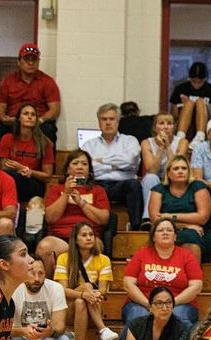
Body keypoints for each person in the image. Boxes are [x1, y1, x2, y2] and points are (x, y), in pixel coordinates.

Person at [36, 151, 110, 275]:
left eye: (84, 164)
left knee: (91, 244)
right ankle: (50, 287)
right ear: (67, 170)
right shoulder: (55, 190)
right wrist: (66, 193)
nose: (80, 167)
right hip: (60, 238)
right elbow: (50, 218)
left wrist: (81, 203)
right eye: (75, 163)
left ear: (89, 170)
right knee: (44, 247)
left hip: (89, 236)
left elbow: (103, 219)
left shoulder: (98, 191)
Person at [121, 218, 202, 328]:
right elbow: (128, 284)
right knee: (137, 317)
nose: (165, 233)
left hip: (179, 303)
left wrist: (170, 303)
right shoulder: (141, 253)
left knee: (179, 319)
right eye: (160, 230)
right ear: (153, 237)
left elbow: (196, 286)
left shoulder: (187, 256)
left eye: (169, 230)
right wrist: (149, 304)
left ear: (175, 236)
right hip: (142, 303)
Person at [54, 221, 117, 340]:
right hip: (67, 310)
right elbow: (61, 290)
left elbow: (103, 291)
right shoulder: (64, 258)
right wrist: (84, 293)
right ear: (75, 240)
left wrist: (85, 296)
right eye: (84, 235)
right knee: (86, 289)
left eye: (91, 235)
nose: (89, 238)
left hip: (94, 307)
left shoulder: (103, 259)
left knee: (80, 302)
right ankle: (103, 329)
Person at [87, 102, 145, 231]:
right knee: (86, 185)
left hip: (122, 184)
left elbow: (130, 161)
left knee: (134, 185)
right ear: (99, 122)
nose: (108, 123)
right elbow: (88, 169)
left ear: (118, 122)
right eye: (104, 119)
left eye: (112, 119)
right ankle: (90, 227)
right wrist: (117, 166)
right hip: (98, 184)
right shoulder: (89, 145)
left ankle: (136, 227)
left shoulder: (130, 140)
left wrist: (101, 160)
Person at [148, 155, 211, 262]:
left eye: (184, 168)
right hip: (168, 232)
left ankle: (192, 276)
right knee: (185, 235)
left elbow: (202, 218)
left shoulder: (198, 187)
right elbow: (156, 220)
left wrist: (169, 216)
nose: (181, 171)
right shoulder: (158, 190)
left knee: (191, 237)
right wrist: (187, 225)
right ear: (168, 173)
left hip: (201, 233)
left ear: (189, 172)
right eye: (176, 168)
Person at [0, 43, 61, 145]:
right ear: (19, 61)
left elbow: (55, 109)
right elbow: (0, 107)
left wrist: (39, 120)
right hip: (13, 122)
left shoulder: (48, 81)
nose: (31, 63)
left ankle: (48, 161)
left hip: (38, 122)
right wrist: (4, 118)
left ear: (38, 62)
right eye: (27, 59)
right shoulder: (7, 81)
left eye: (34, 60)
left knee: (49, 130)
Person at [140, 111, 189, 226]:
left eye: (169, 123)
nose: (166, 127)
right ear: (155, 127)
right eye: (161, 123)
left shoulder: (182, 142)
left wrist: (167, 146)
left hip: (175, 177)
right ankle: (148, 218)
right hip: (156, 177)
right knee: (150, 177)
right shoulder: (146, 142)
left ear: (174, 127)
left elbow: (177, 166)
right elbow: (151, 169)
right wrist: (160, 147)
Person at [0, 103, 54, 204]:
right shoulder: (7, 138)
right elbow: (3, 167)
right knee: (8, 177)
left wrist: (26, 170)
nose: (29, 117)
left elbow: (47, 176)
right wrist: (18, 171)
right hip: (11, 179)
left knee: (12, 179)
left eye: (33, 115)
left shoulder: (45, 143)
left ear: (36, 120)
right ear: (19, 118)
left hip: (34, 184)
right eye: (26, 113)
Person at [170, 61, 211, 143]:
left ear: (204, 79)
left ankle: (200, 136)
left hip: (206, 126)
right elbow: (174, 115)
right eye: (193, 81)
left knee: (200, 102)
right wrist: (183, 106)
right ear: (190, 78)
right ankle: (180, 136)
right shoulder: (181, 89)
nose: (196, 85)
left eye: (199, 82)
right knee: (189, 103)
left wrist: (205, 107)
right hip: (185, 125)